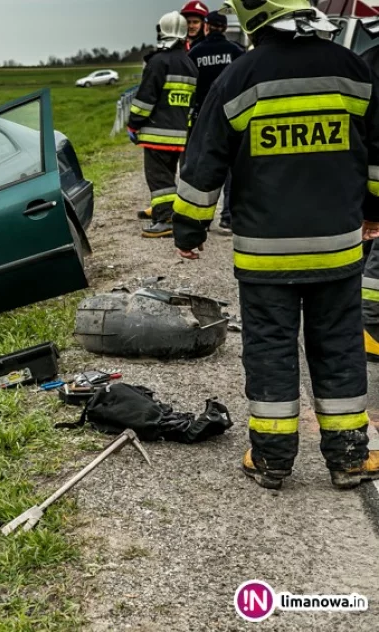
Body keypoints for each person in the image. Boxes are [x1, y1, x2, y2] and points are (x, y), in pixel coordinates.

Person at [173, 0, 379, 490]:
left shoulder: (239, 78)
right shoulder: (353, 70)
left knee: (269, 349)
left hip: (266, 255)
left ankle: (272, 460)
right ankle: (349, 458)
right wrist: (374, 213)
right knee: (339, 348)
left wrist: (189, 232)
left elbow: (203, 168)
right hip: (338, 250)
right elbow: (378, 156)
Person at [127, 11, 198, 239]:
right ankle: (165, 212)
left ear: (162, 31)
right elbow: (189, 104)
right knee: (167, 176)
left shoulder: (158, 61)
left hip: (157, 134)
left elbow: (145, 99)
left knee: (158, 178)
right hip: (179, 134)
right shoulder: (189, 64)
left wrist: (133, 124)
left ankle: (166, 219)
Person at [188, 10, 245, 234]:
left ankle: (200, 218)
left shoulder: (195, 53)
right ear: (224, 28)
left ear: (207, 26)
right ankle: (228, 217)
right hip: (234, 115)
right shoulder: (236, 52)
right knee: (232, 169)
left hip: (204, 117)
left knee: (204, 167)